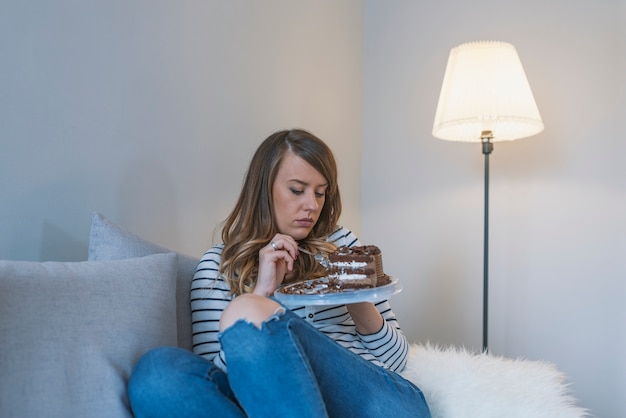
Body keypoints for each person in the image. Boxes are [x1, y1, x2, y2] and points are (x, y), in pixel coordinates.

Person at [127, 129, 431, 418]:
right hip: (271, 405)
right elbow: (217, 385)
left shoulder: (342, 245)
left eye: (321, 193)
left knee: (248, 311)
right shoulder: (218, 267)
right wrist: (261, 297)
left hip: (377, 403)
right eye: (297, 190)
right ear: (263, 189)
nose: (311, 206)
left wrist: (354, 294)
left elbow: (398, 359)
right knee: (155, 374)